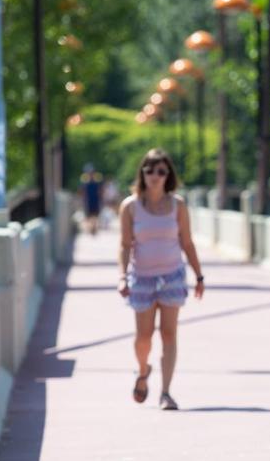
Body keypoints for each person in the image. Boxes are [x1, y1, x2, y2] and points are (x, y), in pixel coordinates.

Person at [117, 149, 205, 410]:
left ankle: (166, 392)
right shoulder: (130, 207)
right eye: (150, 170)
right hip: (142, 278)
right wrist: (122, 276)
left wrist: (199, 275)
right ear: (142, 173)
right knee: (144, 337)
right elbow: (124, 245)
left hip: (172, 276)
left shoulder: (178, 205)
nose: (155, 176)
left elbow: (187, 243)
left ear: (169, 176)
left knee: (169, 334)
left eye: (161, 171)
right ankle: (143, 371)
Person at [79, 163, 103, 235]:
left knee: (95, 215)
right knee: (89, 215)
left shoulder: (97, 182)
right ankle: (91, 228)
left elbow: (100, 191)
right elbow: (83, 192)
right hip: (88, 201)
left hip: (95, 200)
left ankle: (94, 227)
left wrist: (101, 199)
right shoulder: (85, 182)